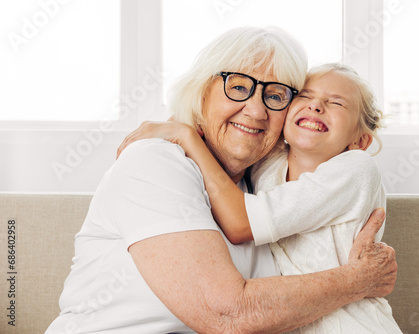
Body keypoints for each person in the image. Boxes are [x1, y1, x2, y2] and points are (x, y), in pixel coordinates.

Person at [47, 27, 397, 334]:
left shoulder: (257, 185)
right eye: (238, 87)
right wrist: (358, 280)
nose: (256, 110)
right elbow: (227, 313)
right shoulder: (153, 162)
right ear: (201, 93)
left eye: (275, 96)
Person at [118, 63, 402, 333]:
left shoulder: (356, 170)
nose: (316, 105)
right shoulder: (270, 164)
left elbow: (240, 223)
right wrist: (185, 122)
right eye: (305, 96)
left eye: (337, 103)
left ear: (360, 141)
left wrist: (186, 137)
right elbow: (228, 139)